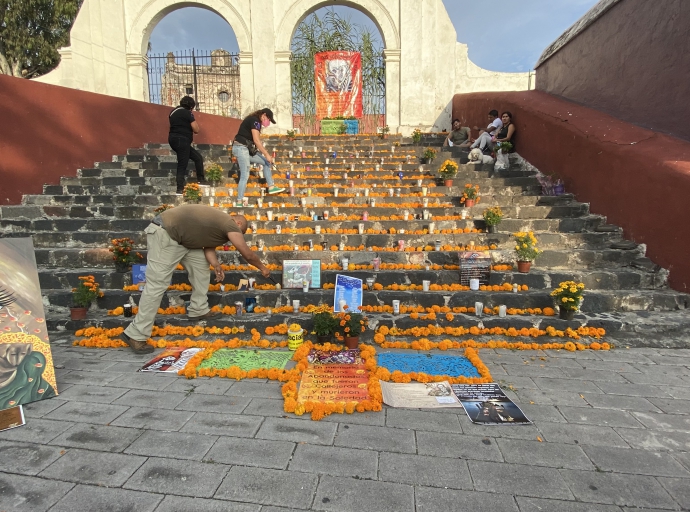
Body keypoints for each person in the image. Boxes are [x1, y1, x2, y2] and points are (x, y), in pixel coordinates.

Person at [122, 204, 271, 354]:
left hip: (185, 240)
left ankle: (198, 309)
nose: (235, 237)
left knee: (201, 269)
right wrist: (263, 268)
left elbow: (208, 246)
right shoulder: (229, 224)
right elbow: (247, 254)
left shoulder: (216, 226)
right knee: (157, 285)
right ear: (238, 224)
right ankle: (136, 334)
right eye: (240, 233)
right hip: (166, 233)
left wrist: (215, 264)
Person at [232, 108, 285, 206]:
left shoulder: (254, 121)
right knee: (245, 174)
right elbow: (256, 140)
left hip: (246, 148)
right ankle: (239, 202)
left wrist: (265, 156)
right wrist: (267, 154)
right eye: (268, 120)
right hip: (240, 148)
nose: (268, 122)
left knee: (265, 162)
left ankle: (271, 186)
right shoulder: (255, 121)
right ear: (264, 115)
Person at [169, 96, 207, 195]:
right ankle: (179, 188)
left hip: (173, 139)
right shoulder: (187, 113)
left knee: (197, 157)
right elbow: (196, 129)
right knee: (182, 164)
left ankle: (201, 179)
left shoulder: (173, 112)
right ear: (190, 106)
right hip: (183, 140)